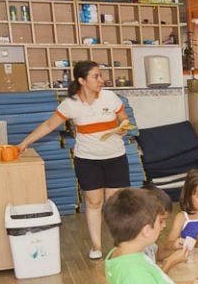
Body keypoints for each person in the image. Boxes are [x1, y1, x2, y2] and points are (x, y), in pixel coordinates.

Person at [18, 61, 131, 260]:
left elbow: (124, 117)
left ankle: (119, 244)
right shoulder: (70, 103)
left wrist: (122, 126)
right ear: (82, 80)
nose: (101, 80)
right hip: (87, 160)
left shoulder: (110, 97)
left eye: (100, 75)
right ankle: (96, 246)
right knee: (93, 202)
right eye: (96, 76)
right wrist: (25, 143)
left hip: (115, 157)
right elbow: (49, 125)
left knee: (114, 203)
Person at [142, 184, 188, 273]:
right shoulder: (135, 254)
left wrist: (174, 249)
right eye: (161, 221)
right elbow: (153, 283)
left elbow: (156, 254)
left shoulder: (146, 241)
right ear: (145, 220)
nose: (164, 225)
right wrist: (170, 263)